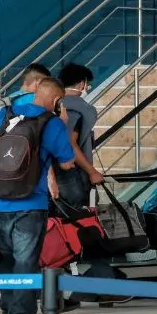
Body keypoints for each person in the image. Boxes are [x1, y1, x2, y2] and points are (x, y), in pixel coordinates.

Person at [0, 78, 76, 314]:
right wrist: (64, 124)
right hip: (30, 204)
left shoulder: (7, 113)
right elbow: (67, 162)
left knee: (6, 260)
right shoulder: (53, 123)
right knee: (25, 263)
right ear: (57, 100)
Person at [56, 63, 104, 207]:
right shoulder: (75, 109)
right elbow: (70, 143)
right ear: (82, 83)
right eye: (88, 84)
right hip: (70, 175)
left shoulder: (54, 103)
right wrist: (92, 172)